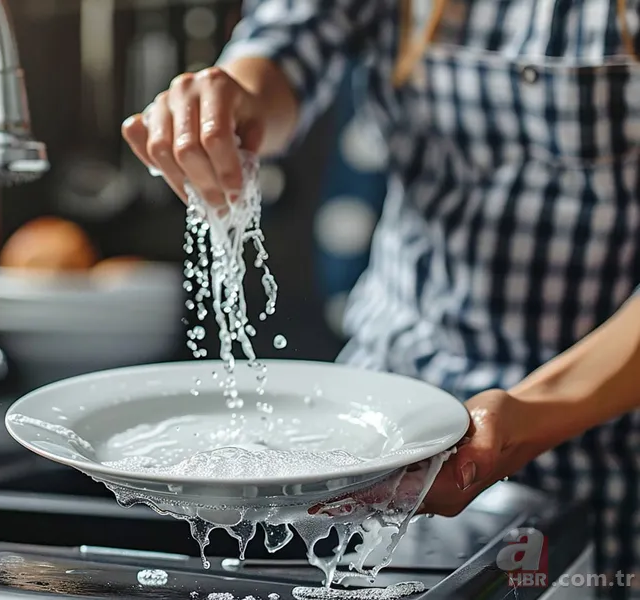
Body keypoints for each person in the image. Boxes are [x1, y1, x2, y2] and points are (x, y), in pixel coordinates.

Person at [122, 0, 640, 594]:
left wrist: (531, 413)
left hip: (614, 448)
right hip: (392, 431)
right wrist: (228, 102)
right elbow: (286, 46)